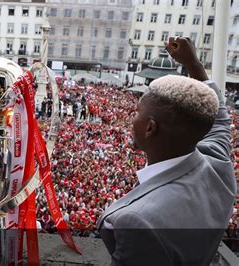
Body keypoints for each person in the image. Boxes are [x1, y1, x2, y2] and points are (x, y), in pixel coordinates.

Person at [97, 37, 236, 265]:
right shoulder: (219, 168)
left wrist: (194, 65)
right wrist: (194, 66)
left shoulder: (141, 221)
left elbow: (218, 118)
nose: (131, 119)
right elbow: (219, 117)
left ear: (150, 128)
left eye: (136, 113)